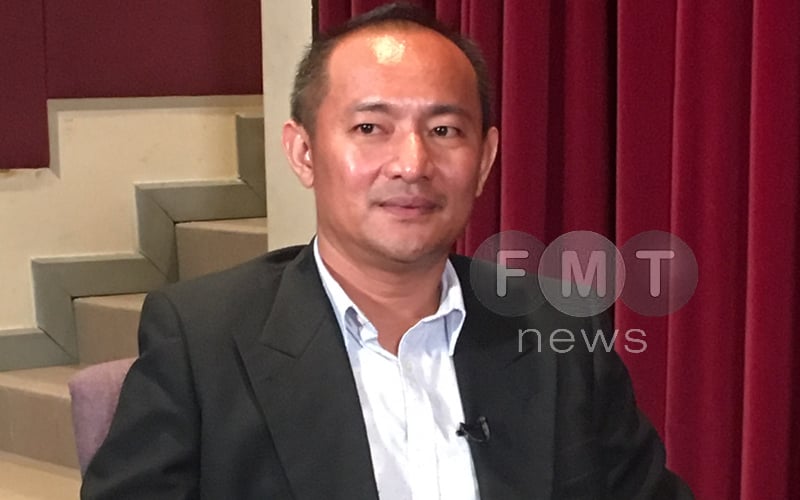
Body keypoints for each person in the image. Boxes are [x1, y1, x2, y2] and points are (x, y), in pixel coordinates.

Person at [81, 3, 693, 499]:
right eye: (371, 128)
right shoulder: (203, 338)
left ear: (484, 160)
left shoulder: (559, 328)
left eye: (444, 130)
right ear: (303, 153)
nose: (412, 164)